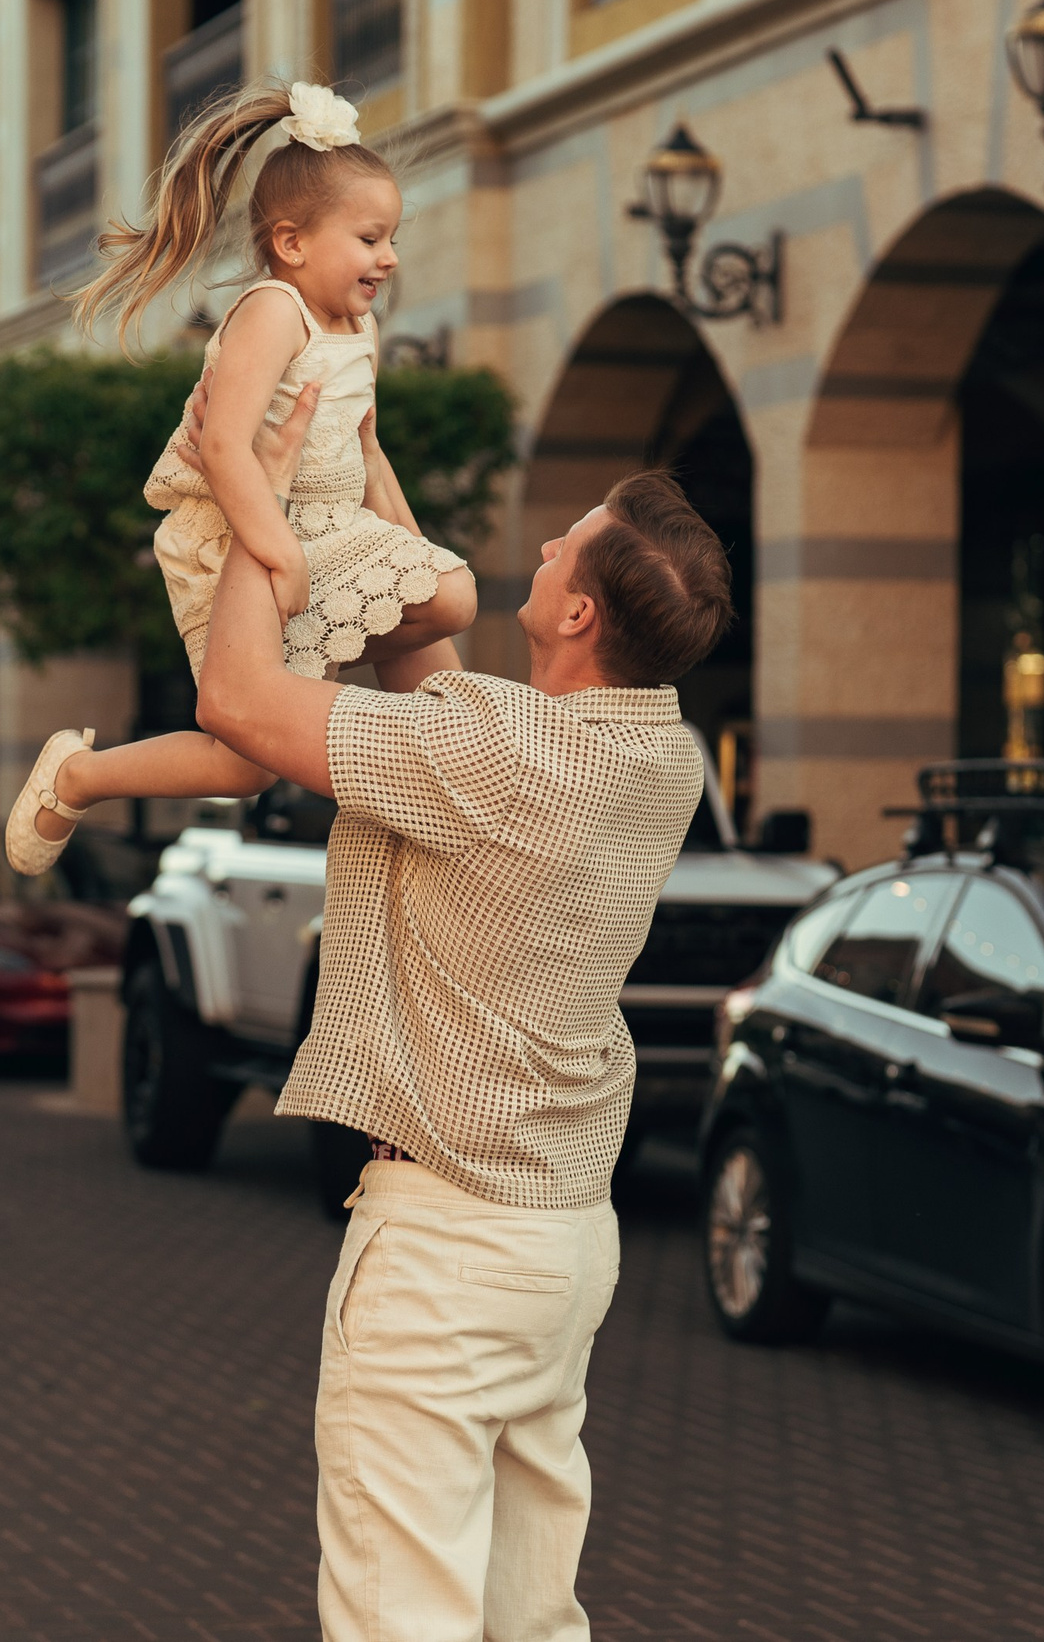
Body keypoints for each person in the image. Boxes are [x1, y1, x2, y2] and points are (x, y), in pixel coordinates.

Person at [184, 368, 734, 1640]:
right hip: (559, 1241)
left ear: (579, 611)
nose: (539, 545)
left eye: (565, 542)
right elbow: (429, 674)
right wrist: (365, 471)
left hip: (445, 1252)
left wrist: (246, 487)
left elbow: (237, 703)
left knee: (402, 1617)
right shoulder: (655, 752)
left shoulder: (495, 758)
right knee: (528, 1620)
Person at [4, 78, 474, 876]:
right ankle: (78, 774)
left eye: (390, 236)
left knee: (445, 598)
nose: (388, 257)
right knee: (247, 764)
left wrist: (407, 545)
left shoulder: (357, 325)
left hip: (328, 531)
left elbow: (368, 448)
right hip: (238, 538)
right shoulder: (271, 310)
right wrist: (277, 552)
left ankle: (443, 773)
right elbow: (223, 447)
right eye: (368, 238)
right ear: (292, 243)